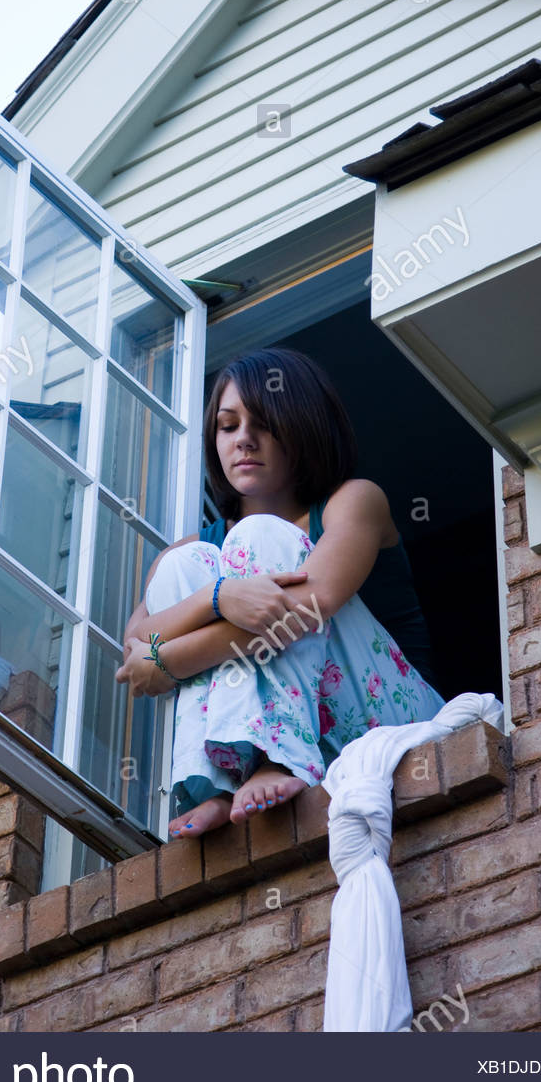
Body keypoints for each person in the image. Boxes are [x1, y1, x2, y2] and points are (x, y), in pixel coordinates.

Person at [115, 347, 446, 839]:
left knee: (260, 536)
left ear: (304, 425)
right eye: (228, 426)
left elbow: (309, 607)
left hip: (394, 725)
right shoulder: (196, 550)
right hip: (309, 732)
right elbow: (136, 644)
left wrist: (168, 661)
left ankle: (277, 756)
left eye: (263, 423)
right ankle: (216, 783)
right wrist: (217, 598)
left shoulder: (354, 501)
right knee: (184, 567)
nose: (243, 440)